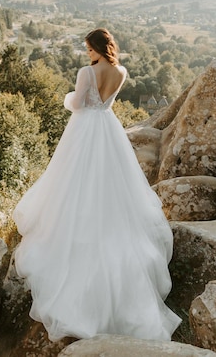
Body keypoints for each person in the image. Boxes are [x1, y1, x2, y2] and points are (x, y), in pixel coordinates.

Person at [12, 27, 181, 342]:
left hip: (85, 128)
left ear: (99, 48)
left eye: (89, 49)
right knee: (112, 184)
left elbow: (78, 103)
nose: (87, 54)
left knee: (71, 180)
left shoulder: (86, 72)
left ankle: (72, 231)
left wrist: (66, 99)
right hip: (108, 128)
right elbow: (105, 101)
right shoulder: (121, 71)